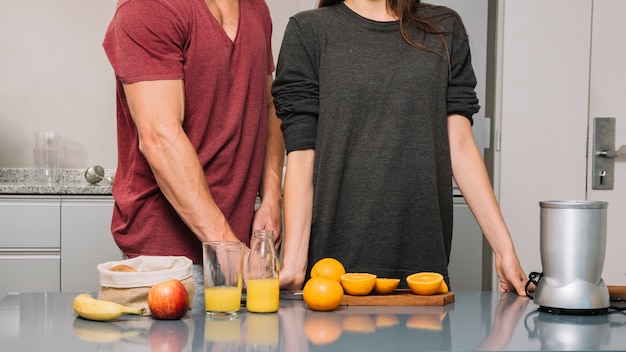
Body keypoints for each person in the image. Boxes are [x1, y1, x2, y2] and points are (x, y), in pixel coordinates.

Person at [273, 0, 528, 295]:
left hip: (422, 270)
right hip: (332, 276)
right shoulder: (308, 31)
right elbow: (302, 154)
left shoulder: (445, 28)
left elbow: (459, 145)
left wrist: (504, 250)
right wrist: (293, 263)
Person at [102, 0, 285, 297]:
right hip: (167, 263)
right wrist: (230, 251)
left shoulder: (256, 8)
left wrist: (272, 197)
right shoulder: (148, 6)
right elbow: (160, 136)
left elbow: (267, 105)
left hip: (242, 252)